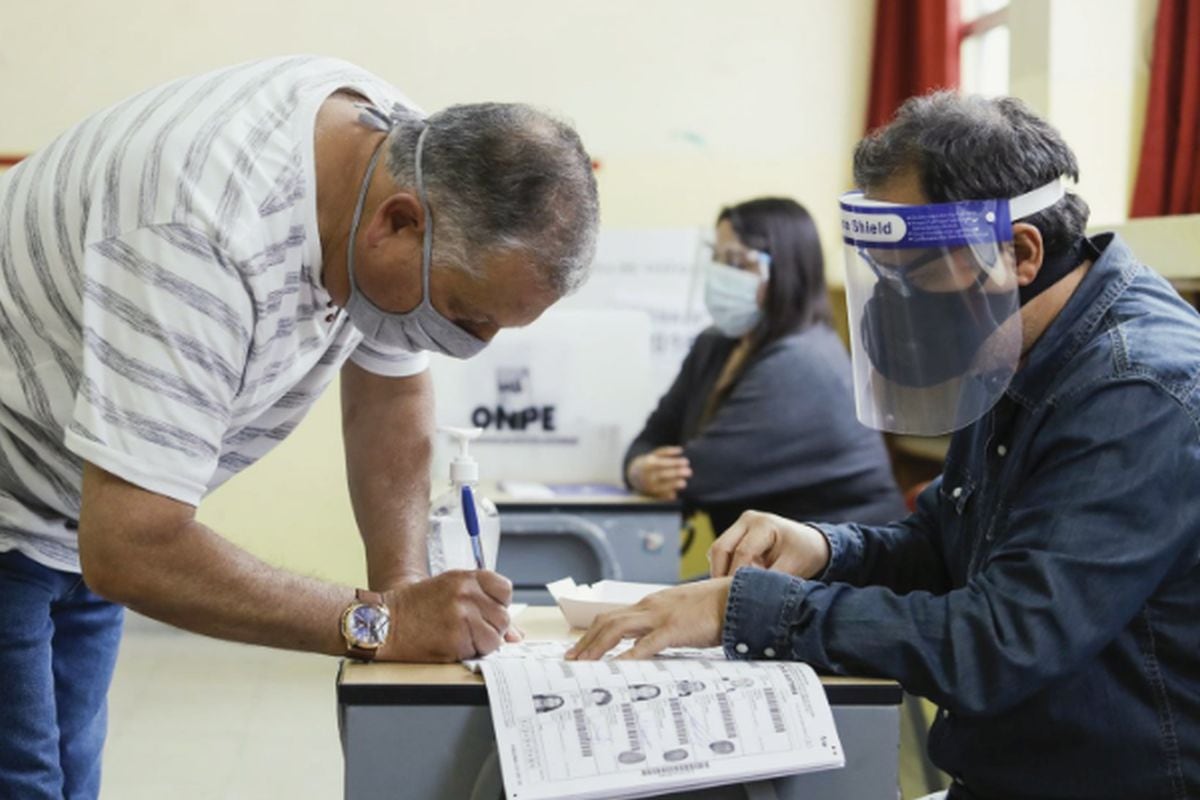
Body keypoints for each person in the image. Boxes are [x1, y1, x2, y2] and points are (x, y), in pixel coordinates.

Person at [568, 92, 1200, 799]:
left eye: (914, 273)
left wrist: (740, 610)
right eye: (883, 273)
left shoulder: (1138, 389)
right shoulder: (1012, 344)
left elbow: (1002, 640)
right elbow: (940, 547)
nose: (894, 304)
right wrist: (825, 548)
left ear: (1019, 254)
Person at [0, 55, 598, 799]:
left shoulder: (399, 161)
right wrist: (375, 624)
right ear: (399, 223)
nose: (473, 345)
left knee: (67, 771)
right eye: (466, 313)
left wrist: (403, 589)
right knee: (24, 780)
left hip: (69, 494)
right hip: (15, 492)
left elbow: (389, 394)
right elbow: (130, 545)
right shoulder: (200, 228)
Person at [623, 198, 905, 534]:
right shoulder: (715, 345)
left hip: (847, 564)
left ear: (785, 271)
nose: (721, 273)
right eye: (716, 257)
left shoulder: (802, 362)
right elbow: (651, 437)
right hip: (774, 563)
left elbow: (695, 477)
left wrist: (643, 471)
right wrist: (637, 468)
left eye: (737, 262)